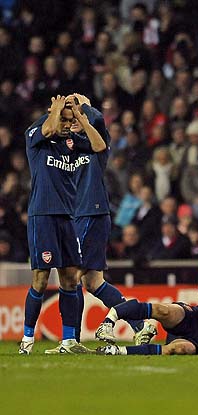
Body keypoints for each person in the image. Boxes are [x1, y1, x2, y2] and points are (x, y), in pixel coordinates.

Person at [65, 93, 157, 350]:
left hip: (91, 213)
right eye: (71, 118)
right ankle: (141, 324)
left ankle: (70, 338)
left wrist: (85, 107)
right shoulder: (70, 146)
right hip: (78, 215)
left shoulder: (97, 143)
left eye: (77, 116)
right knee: (92, 282)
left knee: (71, 275)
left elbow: (97, 120)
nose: (74, 121)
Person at [20, 96, 88, 354]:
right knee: (40, 278)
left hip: (67, 217)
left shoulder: (72, 144)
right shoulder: (36, 136)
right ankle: (27, 338)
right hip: (43, 215)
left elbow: (99, 144)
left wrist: (81, 114)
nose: (67, 125)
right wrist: (57, 109)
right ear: (54, 114)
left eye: (71, 121)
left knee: (70, 278)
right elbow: (48, 127)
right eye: (65, 119)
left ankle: (68, 340)